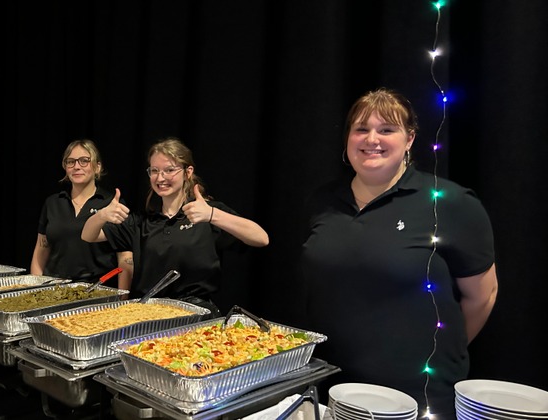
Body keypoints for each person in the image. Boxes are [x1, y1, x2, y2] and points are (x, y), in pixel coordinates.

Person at [298, 88, 498, 417]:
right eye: (361, 129)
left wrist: (436, 357)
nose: (371, 138)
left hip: (415, 394)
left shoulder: (449, 202)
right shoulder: (322, 202)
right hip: (331, 383)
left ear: (409, 139)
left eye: (387, 129)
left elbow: (483, 296)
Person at [81, 137, 270, 317]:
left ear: (187, 172)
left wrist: (212, 215)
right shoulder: (141, 222)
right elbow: (88, 236)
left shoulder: (206, 214)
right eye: (154, 171)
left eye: (169, 170)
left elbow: (261, 238)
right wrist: (102, 215)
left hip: (195, 315)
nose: (160, 177)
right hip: (148, 315)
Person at [30, 139, 133, 290]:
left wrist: (123, 296)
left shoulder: (111, 204)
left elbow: (125, 257)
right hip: (54, 292)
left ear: (97, 167)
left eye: (84, 161)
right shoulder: (53, 203)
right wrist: (36, 288)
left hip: (96, 292)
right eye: (71, 162)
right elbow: (41, 250)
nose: (77, 166)